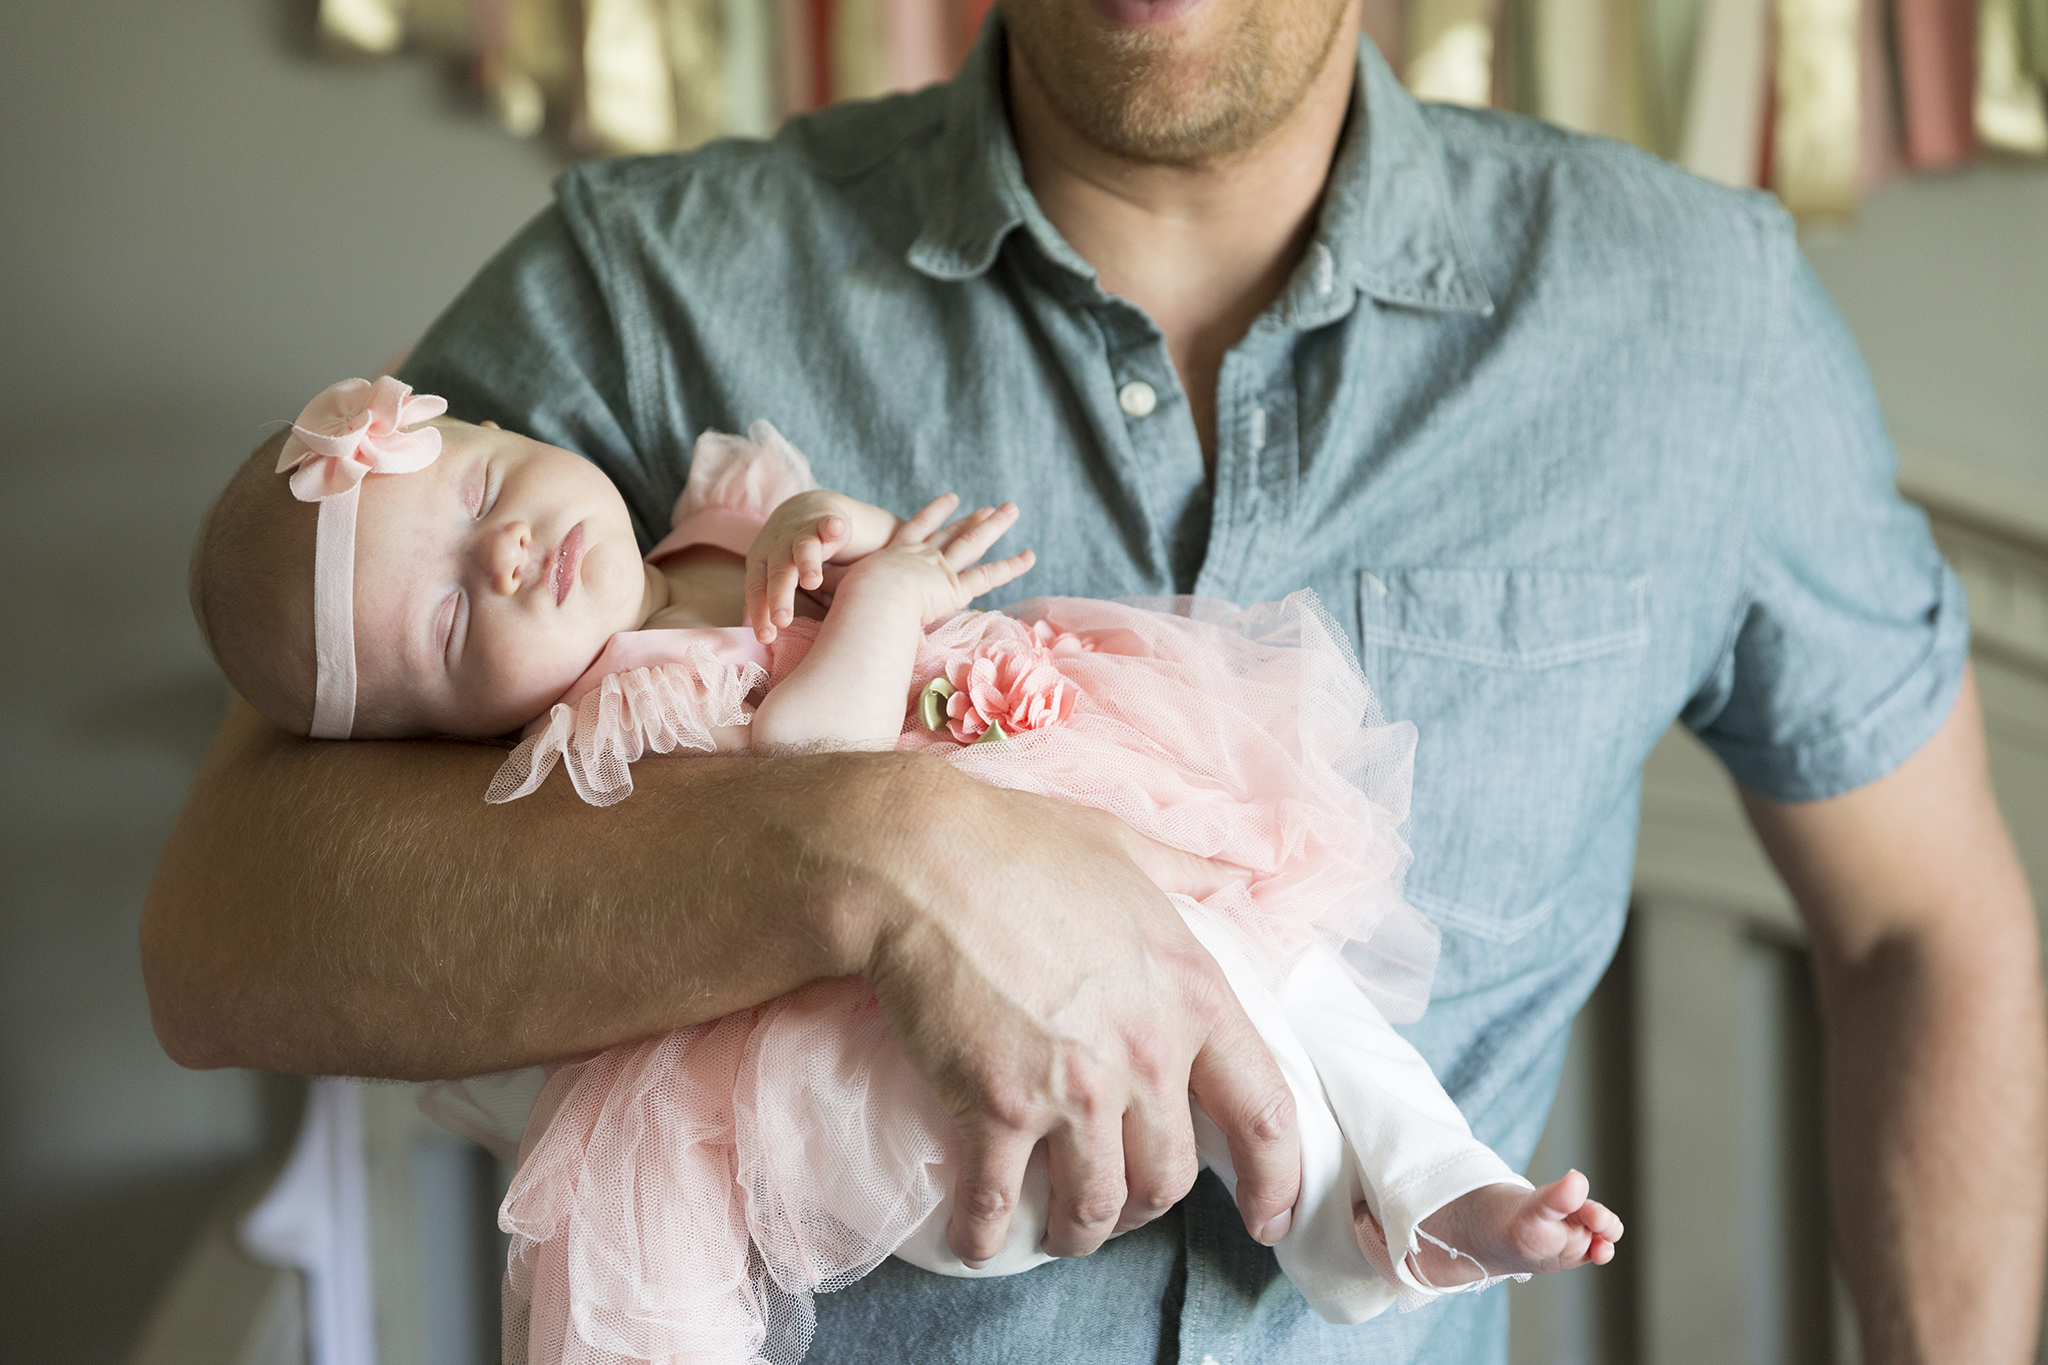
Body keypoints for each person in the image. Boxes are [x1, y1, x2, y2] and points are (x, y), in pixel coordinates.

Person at [149, 2, 2045, 1361]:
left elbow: (1926, 929)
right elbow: (223, 932)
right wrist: (882, 850)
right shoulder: (642, 296)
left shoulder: (1697, 318)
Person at [194, 380, 1617, 1359]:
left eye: (486, 486)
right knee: (1224, 982)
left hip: (1047, 796)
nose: (503, 550)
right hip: (891, 1070)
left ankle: (1437, 1184)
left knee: (1272, 945)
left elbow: (836, 601)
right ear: (436, 734)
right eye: (450, 616)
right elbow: (820, 759)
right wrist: (879, 598)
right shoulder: (612, 714)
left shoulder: (705, 525)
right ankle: (1339, 1223)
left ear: (507, 431)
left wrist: (825, 534)